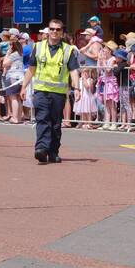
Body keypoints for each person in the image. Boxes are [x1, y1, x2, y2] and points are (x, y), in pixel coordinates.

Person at [23, 19, 80, 164]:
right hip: (41, 91)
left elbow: (73, 70)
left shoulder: (68, 50)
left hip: (58, 92)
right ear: (48, 31)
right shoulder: (38, 46)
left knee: (55, 123)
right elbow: (31, 69)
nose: (54, 32)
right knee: (42, 119)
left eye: (58, 29)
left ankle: (53, 151)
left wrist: (77, 87)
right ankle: (41, 149)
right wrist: (24, 86)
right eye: (52, 29)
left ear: (62, 32)